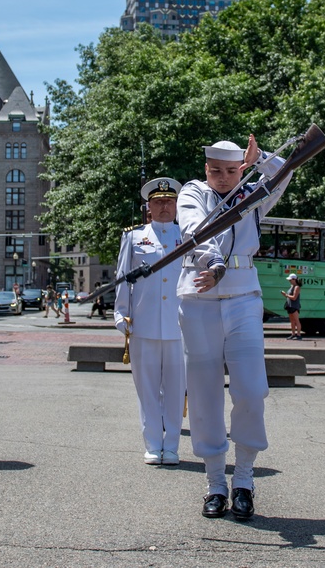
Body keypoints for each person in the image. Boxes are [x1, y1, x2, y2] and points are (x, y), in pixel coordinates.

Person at [177, 134, 294, 521]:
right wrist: (211, 263)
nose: (224, 178)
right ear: (205, 169)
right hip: (199, 297)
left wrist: (261, 162)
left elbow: (285, 175)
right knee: (205, 390)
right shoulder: (192, 191)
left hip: (244, 296)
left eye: (231, 170)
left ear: (240, 168)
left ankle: (244, 480)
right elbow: (194, 227)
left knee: (251, 389)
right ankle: (214, 483)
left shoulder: (253, 193)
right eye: (216, 171)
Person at [114, 176, 186, 467]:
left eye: (169, 201)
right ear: (149, 207)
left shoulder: (187, 235)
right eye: (158, 202)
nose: (164, 206)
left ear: (177, 205)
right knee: (146, 390)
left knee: (175, 389)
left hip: (179, 325)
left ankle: (172, 447)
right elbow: (122, 278)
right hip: (143, 323)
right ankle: (153, 445)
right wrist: (120, 313)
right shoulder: (133, 237)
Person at [280, 273, 302, 339]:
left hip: (294, 306)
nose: (289, 281)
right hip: (290, 305)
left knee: (296, 320)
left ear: (294, 279)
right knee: (292, 321)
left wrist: (286, 295)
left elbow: (294, 297)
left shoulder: (296, 287)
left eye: (290, 280)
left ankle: (298, 335)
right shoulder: (292, 286)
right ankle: (293, 334)